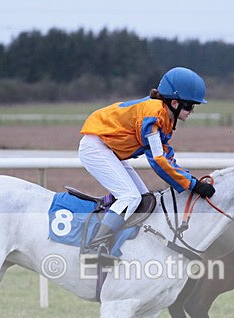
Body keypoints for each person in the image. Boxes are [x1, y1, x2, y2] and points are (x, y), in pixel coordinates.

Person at [78, 66, 214, 262]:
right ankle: (93, 248)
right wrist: (192, 185)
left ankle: (121, 244)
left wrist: (190, 180)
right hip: (96, 146)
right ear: (174, 103)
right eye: (189, 106)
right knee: (131, 197)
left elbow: (166, 155)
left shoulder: (164, 117)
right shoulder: (153, 116)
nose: (191, 111)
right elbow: (158, 160)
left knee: (143, 199)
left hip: (108, 149)